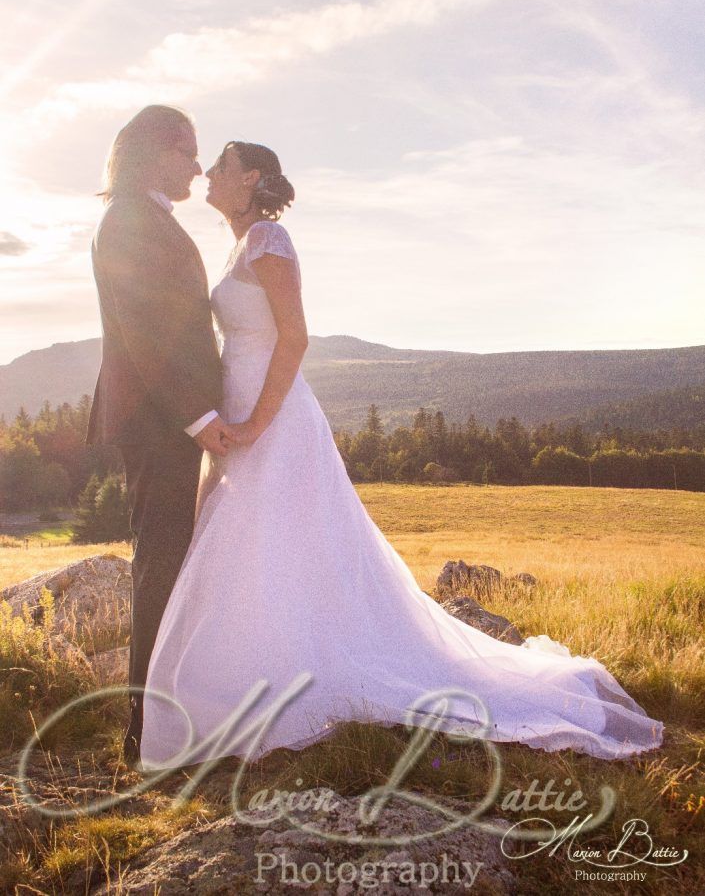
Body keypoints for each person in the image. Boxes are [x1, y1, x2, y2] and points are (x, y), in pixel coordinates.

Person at [139, 140, 664, 769]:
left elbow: (295, 338)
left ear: (250, 177)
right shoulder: (237, 245)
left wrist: (254, 424)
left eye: (220, 166)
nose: (207, 175)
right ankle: (247, 682)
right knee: (255, 545)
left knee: (272, 539)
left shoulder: (268, 243)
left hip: (270, 418)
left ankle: (282, 685)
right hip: (238, 414)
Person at [87, 106, 238, 763]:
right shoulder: (127, 221)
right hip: (156, 422)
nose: (198, 166)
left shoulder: (144, 217)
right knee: (161, 562)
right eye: (189, 151)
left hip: (161, 418)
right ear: (157, 152)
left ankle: (163, 717)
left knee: (170, 559)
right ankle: (145, 731)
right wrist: (199, 416)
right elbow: (147, 329)